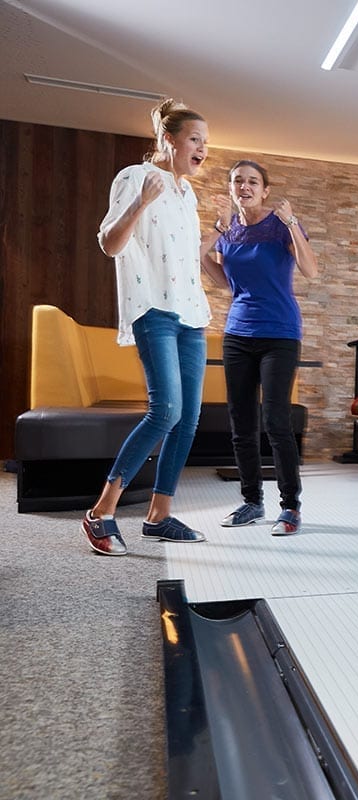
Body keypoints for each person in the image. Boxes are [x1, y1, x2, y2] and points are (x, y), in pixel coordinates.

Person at [82, 98, 214, 556]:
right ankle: (101, 512)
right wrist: (141, 201)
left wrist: (214, 244)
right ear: (168, 139)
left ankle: (158, 516)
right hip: (152, 308)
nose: (202, 149)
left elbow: (184, 256)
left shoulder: (186, 193)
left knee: (188, 419)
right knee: (166, 411)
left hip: (191, 314)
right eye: (195, 139)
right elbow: (109, 243)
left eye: (205, 143)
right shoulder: (135, 178)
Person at [201, 160, 319, 535]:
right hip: (237, 333)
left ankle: (291, 507)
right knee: (241, 422)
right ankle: (251, 501)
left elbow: (311, 270)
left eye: (252, 181)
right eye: (238, 181)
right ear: (232, 187)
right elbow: (221, 278)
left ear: (265, 190)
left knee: (276, 420)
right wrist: (215, 231)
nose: (245, 186)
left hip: (280, 333)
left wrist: (291, 224)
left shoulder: (280, 224)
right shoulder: (228, 228)